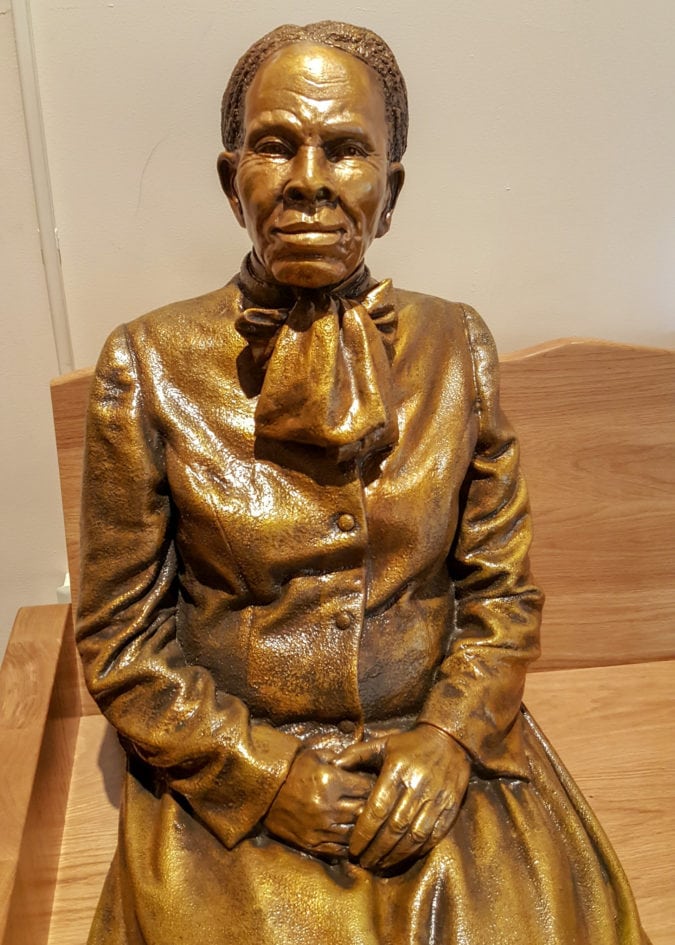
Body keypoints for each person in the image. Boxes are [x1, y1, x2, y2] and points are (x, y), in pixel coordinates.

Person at [77, 21, 649, 945]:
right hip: (226, 773)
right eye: (275, 145)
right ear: (233, 184)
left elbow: (500, 594)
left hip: (433, 753)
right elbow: (119, 642)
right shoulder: (147, 363)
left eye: (346, 150)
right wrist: (266, 779)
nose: (309, 177)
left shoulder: (456, 346)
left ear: (389, 193)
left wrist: (452, 739)